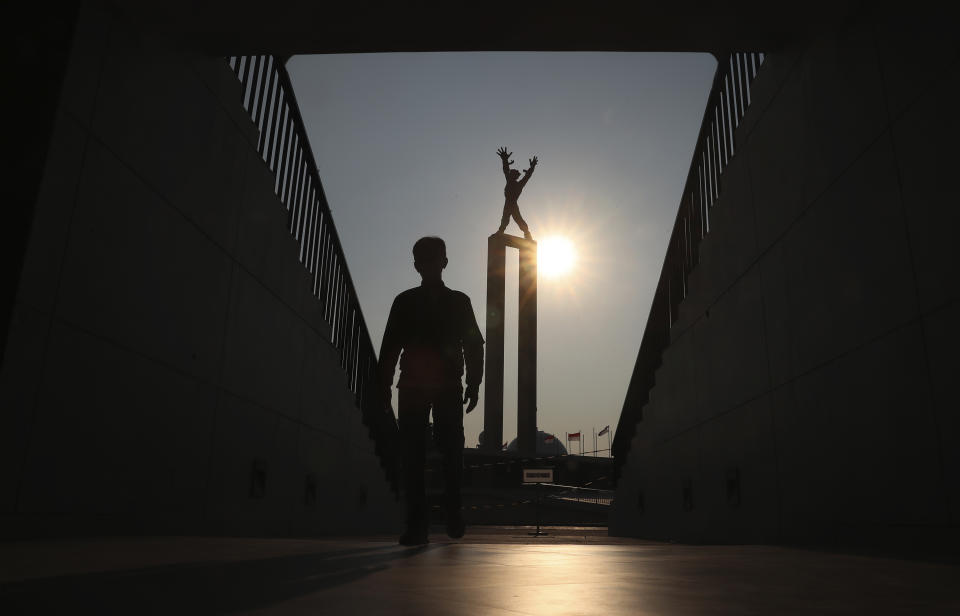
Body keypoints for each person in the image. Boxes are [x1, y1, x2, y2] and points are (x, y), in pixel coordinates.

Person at [379, 236, 485, 545]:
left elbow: (473, 344)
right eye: (426, 258)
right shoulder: (414, 301)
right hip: (422, 384)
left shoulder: (451, 301)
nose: (428, 264)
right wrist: (474, 382)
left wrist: (475, 382)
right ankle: (433, 518)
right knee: (429, 454)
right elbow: (390, 346)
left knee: (435, 454)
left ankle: (437, 517)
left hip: (437, 384)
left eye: (431, 257)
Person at [496, 146, 538, 239]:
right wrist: (504, 159)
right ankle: (502, 231)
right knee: (506, 218)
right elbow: (506, 169)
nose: (510, 174)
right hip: (508, 202)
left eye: (512, 174)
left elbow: (527, 176)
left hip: (512, 203)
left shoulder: (518, 185)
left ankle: (526, 233)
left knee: (517, 219)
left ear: (514, 176)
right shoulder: (509, 180)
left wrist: (532, 167)